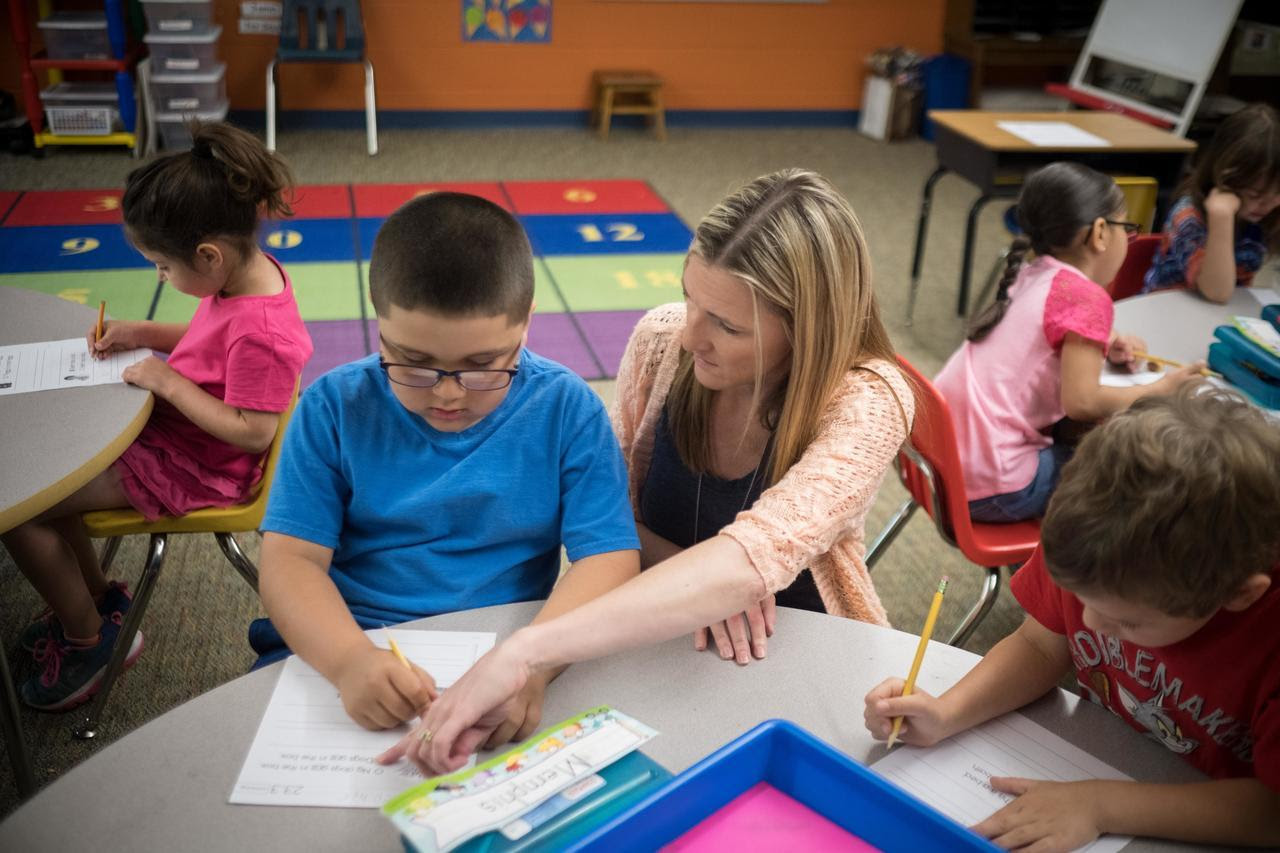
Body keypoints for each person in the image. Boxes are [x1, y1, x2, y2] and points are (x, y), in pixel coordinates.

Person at [379, 168, 914, 774]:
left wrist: (525, 653)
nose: (690, 336)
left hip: (792, 651)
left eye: (728, 326)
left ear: (807, 329)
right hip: (645, 638)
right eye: (691, 298)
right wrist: (704, 585)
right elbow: (600, 511)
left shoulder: (867, 400)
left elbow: (755, 555)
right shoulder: (661, 341)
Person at [255, 191, 640, 739]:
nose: (449, 394)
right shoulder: (332, 407)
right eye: (412, 363)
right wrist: (348, 662)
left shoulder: (567, 409)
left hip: (514, 648)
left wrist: (530, 661)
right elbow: (290, 561)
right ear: (378, 317)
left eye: (482, 365)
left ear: (527, 321)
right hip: (351, 640)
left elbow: (610, 558)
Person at [864, 386, 1280, 850]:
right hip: (1107, 750)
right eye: (1079, 598)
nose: (1091, 624)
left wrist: (1104, 805)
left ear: (1239, 595)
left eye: (1127, 623)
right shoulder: (1095, 536)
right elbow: (1042, 644)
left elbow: (1272, 812)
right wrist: (947, 712)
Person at [1, 121, 313, 711]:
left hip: (202, 461)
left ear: (208, 256)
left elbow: (254, 434)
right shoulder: (243, 275)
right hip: (180, 431)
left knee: (25, 512)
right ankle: (95, 598)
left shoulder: (262, 331)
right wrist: (143, 333)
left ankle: (86, 641)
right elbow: (208, 338)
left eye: (162, 268)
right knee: (55, 476)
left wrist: (167, 380)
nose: (160, 278)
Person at [934, 162, 1201, 524]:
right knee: (1129, 477)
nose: (1129, 239)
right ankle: (1061, 576)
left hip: (940, 462)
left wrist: (1105, 342)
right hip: (992, 484)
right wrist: (1163, 387)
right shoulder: (1086, 297)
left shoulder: (1032, 272)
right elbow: (1083, 402)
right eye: (1129, 229)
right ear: (1101, 233)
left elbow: (1040, 334)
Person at [1143, 103, 1280, 303]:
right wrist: (1221, 218)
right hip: (1170, 312)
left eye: (1277, 194)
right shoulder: (1189, 216)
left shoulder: (1268, 211)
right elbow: (1216, 292)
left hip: (1226, 315)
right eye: (1255, 194)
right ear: (1225, 177)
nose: (1267, 205)